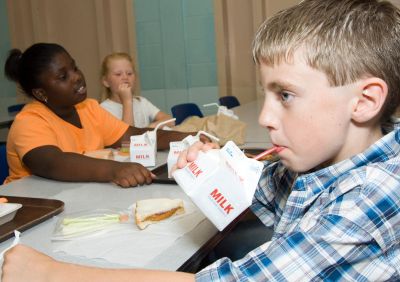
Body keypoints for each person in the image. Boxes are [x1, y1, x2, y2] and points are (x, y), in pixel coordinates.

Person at [3, 0, 400, 280]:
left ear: (364, 102)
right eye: (268, 95)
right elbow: (250, 193)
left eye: (286, 95)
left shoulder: (374, 193)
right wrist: (214, 171)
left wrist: (51, 273)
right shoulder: (326, 165)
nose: (265, 117)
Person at [3, 43, 191, 187]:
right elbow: (51, 163)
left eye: (74, 68)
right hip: (30, 210)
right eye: (63, 77)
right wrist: (115, 170)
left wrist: (190, 138)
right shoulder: (29, 121)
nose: (76, 77)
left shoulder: (89, 108)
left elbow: (132, 136)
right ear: (41, 94)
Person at [100, 52, 175, 128]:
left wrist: (148, 129)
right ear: (106, 82)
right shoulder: (102, 110)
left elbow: (170, 121)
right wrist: (127, 102)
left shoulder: (142, 102)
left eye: (129, 73)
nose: (125, 77)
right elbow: (127, 136)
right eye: (118, 74)